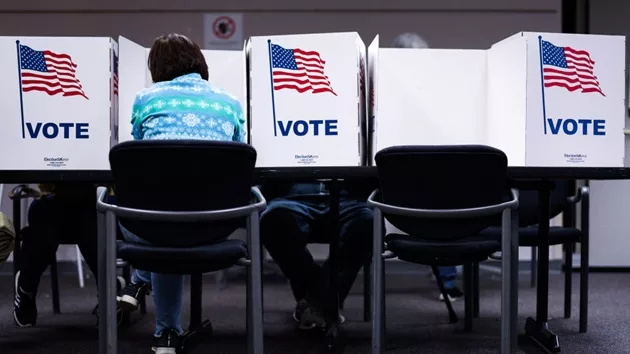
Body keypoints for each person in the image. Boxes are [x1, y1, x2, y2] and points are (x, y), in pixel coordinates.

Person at [115, 33, 246, 354]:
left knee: (156, 211)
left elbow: (140, 155)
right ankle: (145, 289)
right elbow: (239, 156)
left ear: (157, 67)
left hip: (156, 223)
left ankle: (164, 330)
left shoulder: (146, 99)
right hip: (215, 224)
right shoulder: (230, 103)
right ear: (199, 62)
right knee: (172, 212)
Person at [391, 32, 464, 301]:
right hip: (389, 173)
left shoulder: (440, 92)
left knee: (447, 199)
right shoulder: (383, 92)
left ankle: (446, 278)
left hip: (430, 170)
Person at [260, 181, 375, 330]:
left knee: (368, 223)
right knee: (273, 221)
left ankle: (313, 302)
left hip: (349, 198)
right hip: (291, 198)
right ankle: (325, 301)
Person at [13, 183, 126, 327]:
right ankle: (26, 287)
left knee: (90, 223)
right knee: (44, 218)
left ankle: (109, 290)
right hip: (55, 201)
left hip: (96, 200)